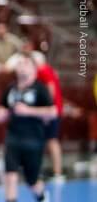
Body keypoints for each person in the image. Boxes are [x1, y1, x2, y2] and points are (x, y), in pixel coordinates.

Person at [0, 53, 56, 202]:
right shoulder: (11, 89)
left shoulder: (40, 89)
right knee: (10, 177)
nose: (22, 67)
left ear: (34, 69)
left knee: (32, 181)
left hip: (34, 140)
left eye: (26, 64)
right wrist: (1, 114)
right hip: (13, 138)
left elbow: (53, 112)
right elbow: (2, 109)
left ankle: (41, 197)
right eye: (20, 64)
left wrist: (29, 111)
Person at [33, 53, 66, 183]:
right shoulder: (49, 70)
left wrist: (48, 109)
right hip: (53, 110)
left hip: (51, 112)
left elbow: (50, 89)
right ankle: (54, 172)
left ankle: (57, 172)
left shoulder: (43, 70)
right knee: (49, 140)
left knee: (52, 140)